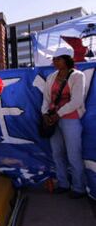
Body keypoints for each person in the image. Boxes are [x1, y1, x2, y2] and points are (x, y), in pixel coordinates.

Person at [41, 47, 86, 199]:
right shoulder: (51, 77)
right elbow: (46, 99)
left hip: (71, 119)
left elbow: (77, 101)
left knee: (74, 154)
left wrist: (58, 114)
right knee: (57, 153)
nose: (54, 62)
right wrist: (45, 114)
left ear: (67, 59)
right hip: (53, 119)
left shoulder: (78, 76)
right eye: (53, 59)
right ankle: (63, 184)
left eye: (57, 59)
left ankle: (79, 188)